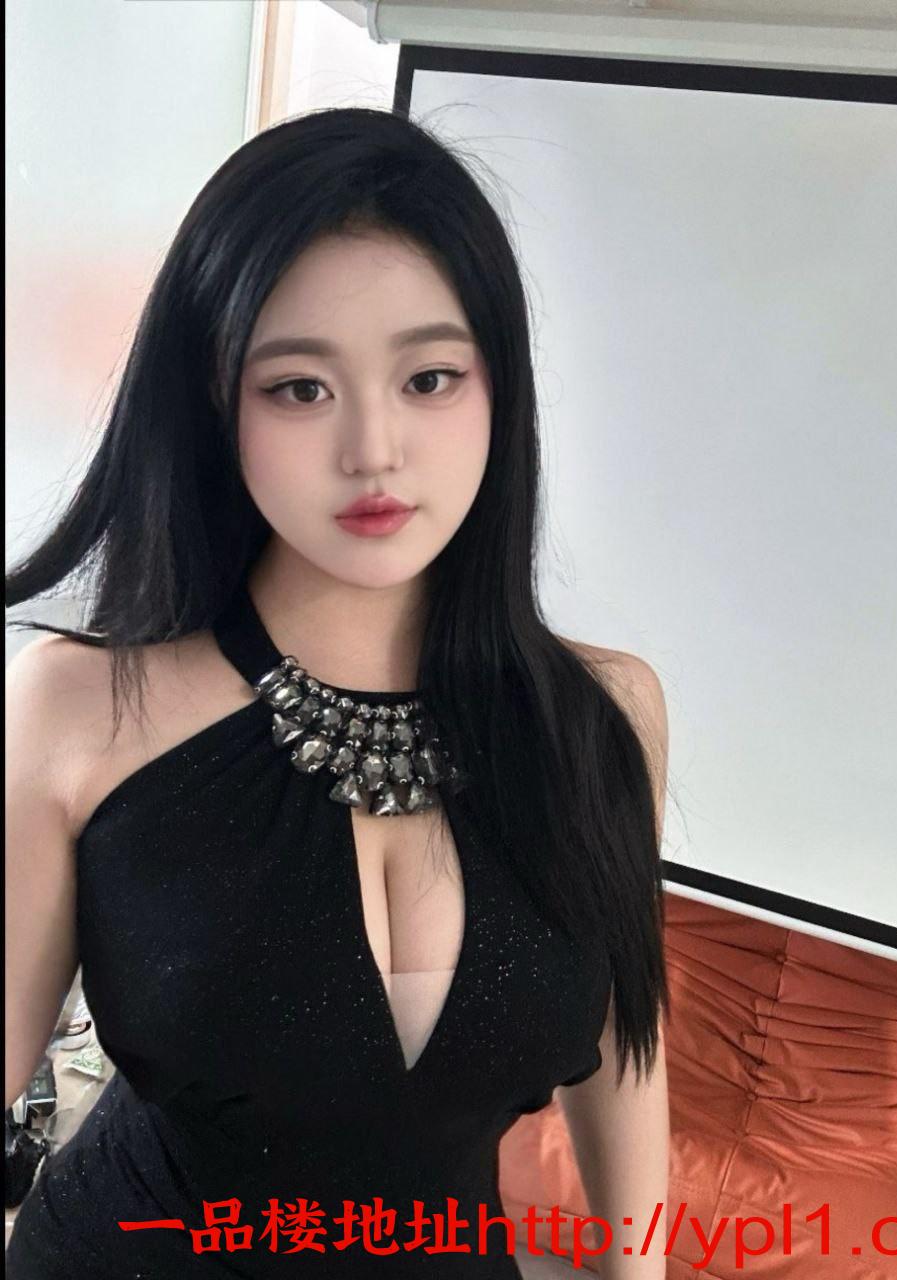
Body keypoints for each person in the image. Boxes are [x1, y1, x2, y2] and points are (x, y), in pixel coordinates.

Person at [5, 106, 671, 1278]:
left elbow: (623, 1053)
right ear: (215, 399)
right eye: (300, 388)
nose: (374, 448)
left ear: (498, 387)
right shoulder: (80, 707)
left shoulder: (604, 719)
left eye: (429, 377)